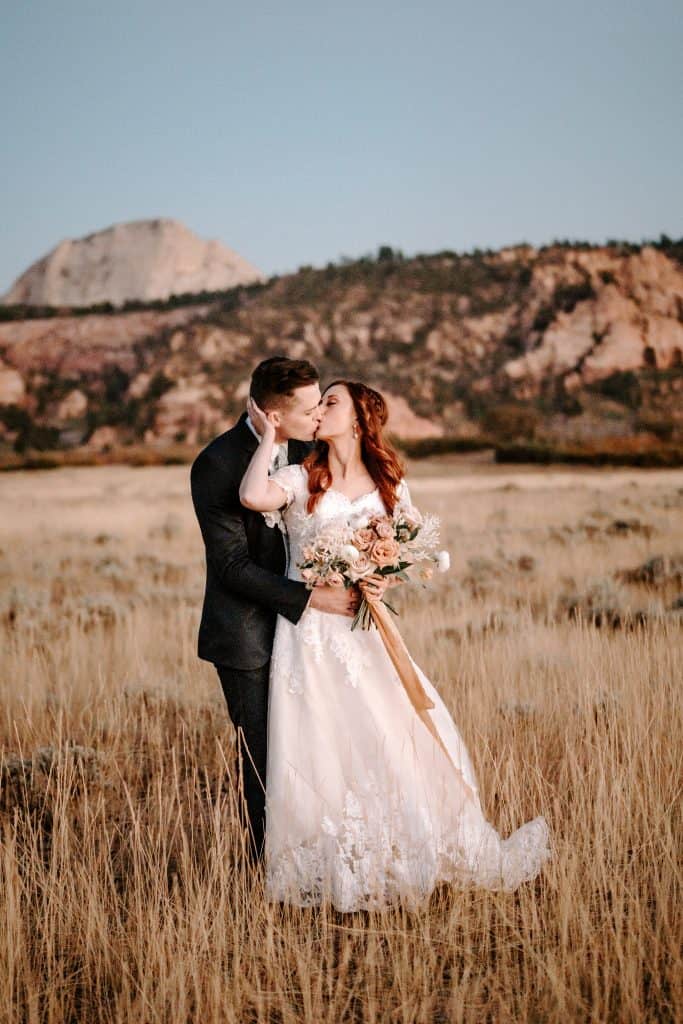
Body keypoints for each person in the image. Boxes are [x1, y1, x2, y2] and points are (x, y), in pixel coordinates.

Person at [239, 379, 552, 911]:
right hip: (308, 634)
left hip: (364, 628)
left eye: (331, 402)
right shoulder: (299, 474)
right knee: (318, 739)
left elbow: (405, 550)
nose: (319, 410)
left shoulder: (389, 484)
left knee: (385, 730)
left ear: (359, 419)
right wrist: (269, 435)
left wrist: (384, 581)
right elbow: (251, 496)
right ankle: (328, 861)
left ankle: (402, 846)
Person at [190, 358, 370, 867]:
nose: (319, 416)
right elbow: (231, 566)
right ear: (274, 416)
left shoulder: (310, 447)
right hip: (248, 636)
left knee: (318, 748)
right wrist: (311, 599)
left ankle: (322, 856)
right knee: (265, 760)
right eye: (310, 409)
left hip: (312, 636)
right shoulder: (216, 464)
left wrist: (368, 566)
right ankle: (267, 871)